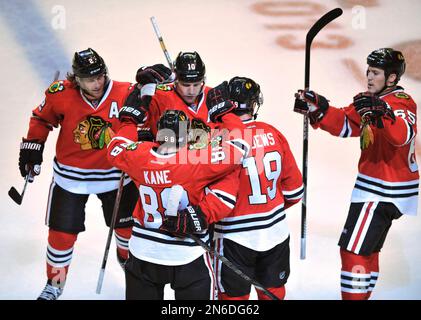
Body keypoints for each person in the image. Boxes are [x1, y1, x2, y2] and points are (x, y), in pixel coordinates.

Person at [293, 48, 418, 300]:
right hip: (381, 188)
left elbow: (402, 136)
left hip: (382, 190)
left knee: (354, 252)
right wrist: (318, 108)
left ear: (391, 78)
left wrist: (381, 112)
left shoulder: (402, 101)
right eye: (368, 71)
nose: (369, 77)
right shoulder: (368, 99)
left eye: (375, 73)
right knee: (367, 251)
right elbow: (345, 124)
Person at [18, 48, 140, 300]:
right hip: (71, 177)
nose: (97, 84)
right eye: (89, 79)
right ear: (76, 79)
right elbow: (41, 119)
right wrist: (33, 145)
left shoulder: (126, 92)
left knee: (129, 233)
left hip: (116, 175)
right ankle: (54, 284)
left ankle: (132, 271)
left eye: (100, 77)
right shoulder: (60, 94)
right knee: (61, 235)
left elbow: (147, 118)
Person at [107, 91, 250, 299]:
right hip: (185, 254)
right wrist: (225, 114)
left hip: (143, 252)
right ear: (186, 137)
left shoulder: (139, 155)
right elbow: (240, 146)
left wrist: (129, 121)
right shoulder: (196, 161)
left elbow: (114, 147)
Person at [208, 77, 304, 300]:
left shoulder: (213, 136)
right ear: (253, 104)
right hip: (275, 232)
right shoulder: (273, 133)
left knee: (232, 301)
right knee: (273, 293)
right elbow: (295, 192)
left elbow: (177, 158)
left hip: (233, 236)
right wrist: (268, 209)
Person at [136, 51, 212, 137]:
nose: (191, 91)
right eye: (185, 85)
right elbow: (138, 121)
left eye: (196, 84)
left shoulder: (214, 96)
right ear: (175, 81)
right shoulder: (159, 96)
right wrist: (141, 87)